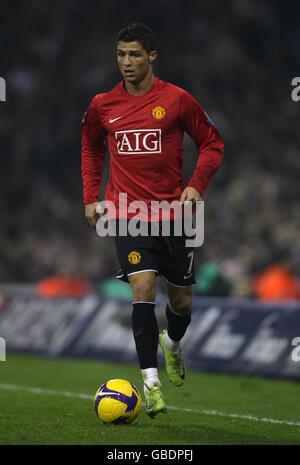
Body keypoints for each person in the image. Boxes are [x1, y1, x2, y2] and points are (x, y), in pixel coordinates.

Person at [81, 23, 224, 418]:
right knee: (142, 289)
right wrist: (91, 197)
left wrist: (196, 185)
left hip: (175, 216)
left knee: (181, 300)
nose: (126, 62)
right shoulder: (102, 105)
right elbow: (91, 147)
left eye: (134, 55)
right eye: (121, 55)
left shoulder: (177, 101)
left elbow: (212, 143)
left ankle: (173, 344)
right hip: (127, 213)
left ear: (151, 57)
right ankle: (151, 384)